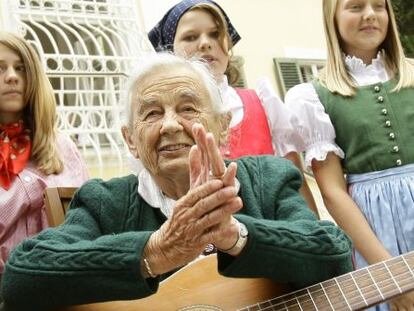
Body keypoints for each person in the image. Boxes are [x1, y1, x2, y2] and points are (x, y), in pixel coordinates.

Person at [1, 53, 353, 311]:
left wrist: (235, 236)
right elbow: (20, 277)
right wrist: (155, 251)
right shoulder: (104, 201)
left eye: (187, 109)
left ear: (222, 127)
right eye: (152, 113)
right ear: (131, 140)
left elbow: (333, 254)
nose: (170, 125)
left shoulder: (268, 178)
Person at [284, 0, 414, 310]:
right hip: (372, 229)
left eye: (379, 5)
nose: (369, 14)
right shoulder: (313, 95)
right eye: (355, 6)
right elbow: (332, 192)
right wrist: (388, 275)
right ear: (333, 18)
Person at [147, 0, 320, 217]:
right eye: (191, 37)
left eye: (215, 34)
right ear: (169, 49)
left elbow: (295, 183)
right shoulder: (164, 122)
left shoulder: (262, 104)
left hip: (271, 235)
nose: (205, 43)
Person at [0, 32, 89, 308]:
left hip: (65, 292)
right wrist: (32, 189)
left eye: (21, 68)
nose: (12, 76)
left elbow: (87, 220)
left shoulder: (62, 146)